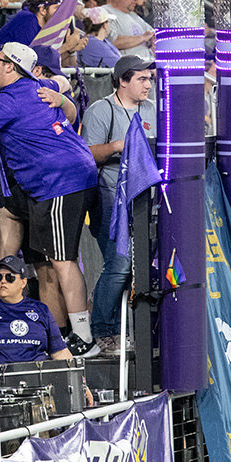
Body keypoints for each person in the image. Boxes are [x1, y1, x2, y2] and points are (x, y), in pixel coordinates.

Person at [0, 42, 100, 348]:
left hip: (60, 180)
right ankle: (65, 333)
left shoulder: (9, 99)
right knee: (51, 262)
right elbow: (61, 87)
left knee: (62, 261)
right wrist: (61, 95)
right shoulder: (37, 86)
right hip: (66, 177)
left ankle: (85, 337)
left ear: (10, 67)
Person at [80, 56, 156, 354]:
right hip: (109, 196)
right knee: (120, 264)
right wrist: (116, 147)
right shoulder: (102, 110)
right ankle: (103, 330)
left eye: (149, 79)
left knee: (139, 267)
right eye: (141, 78)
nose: (148, 84)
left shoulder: (152, 110)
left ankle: (129, 329)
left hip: (144, 199)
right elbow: (86, 155)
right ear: (122, 80)